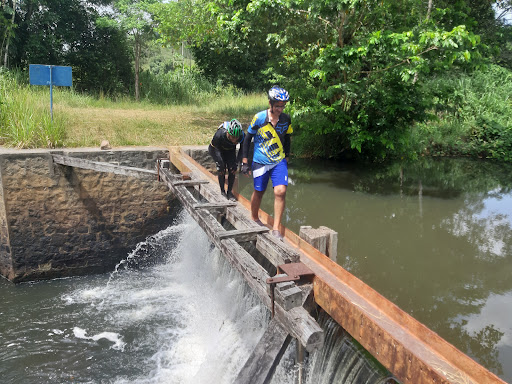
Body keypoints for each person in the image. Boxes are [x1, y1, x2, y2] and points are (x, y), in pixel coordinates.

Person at [241, 86, 292, 241]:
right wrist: (244, 161)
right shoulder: (259, 118)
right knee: (259, 191)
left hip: (279, 160)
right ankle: (255, 218)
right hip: (260, 161)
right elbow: (247, 138)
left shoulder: (286, 119)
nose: (280, 109)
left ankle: (276, 228)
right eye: (277, 105)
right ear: (270, 103)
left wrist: (287, 157)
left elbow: (288, 138)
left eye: (283, 106)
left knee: (280, 192)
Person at [208, 119, 245, 201]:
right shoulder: (220, 134)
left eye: (236, 138)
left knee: (233, 169)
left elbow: (242, 150)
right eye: (232, 137)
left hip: (230, 150)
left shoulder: (242, 136)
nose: (234, 140)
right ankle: (222, 191)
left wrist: (237, 162)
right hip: (216, 149)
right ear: (228, 133)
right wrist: (220, 162)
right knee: (221, 168)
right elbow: (215, 149)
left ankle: (229, 192)